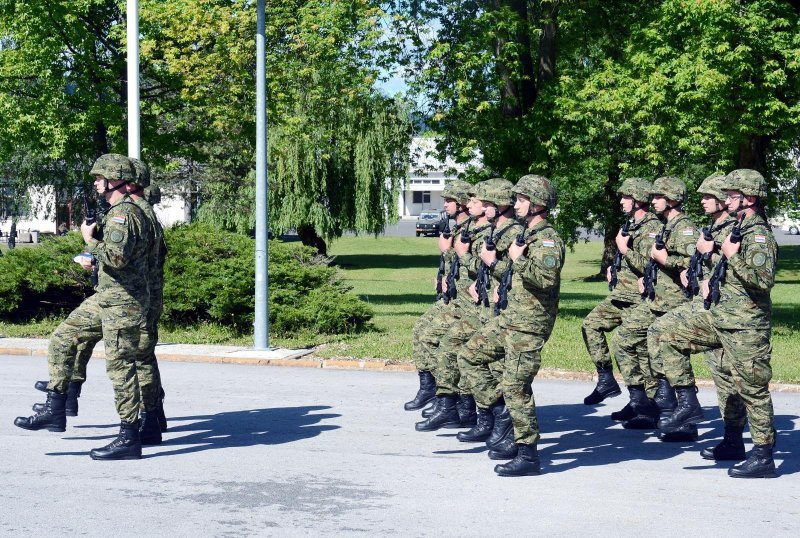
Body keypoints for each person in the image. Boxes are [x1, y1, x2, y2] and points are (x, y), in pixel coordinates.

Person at [15, 153, 153, 461]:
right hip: (107, 296)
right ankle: (56, 408)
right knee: (63, 338)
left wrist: (89, 241)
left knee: (121, 369)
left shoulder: (124, 214)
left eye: (99, 178)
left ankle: (129, 438)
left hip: (123, 302)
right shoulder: (118, 212)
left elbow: (117, 258)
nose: (95, 182)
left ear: (115, 181)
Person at [651, 169, 778, 478]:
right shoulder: (737, 229)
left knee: (751, 389)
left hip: (746, 324)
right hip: (719, 316)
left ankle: (763, 455)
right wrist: (711, 271)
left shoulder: (758, 234)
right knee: (664, 330)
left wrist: (730, 256)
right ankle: (689, 402)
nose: (726, 200)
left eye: (732, 196)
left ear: (748, 199)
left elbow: (763, 280)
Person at [461, 174, 564, 476]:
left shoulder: (548, 239)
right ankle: (500, 413)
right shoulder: (529, 236)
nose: (515, 204)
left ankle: (528, 454)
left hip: (530, 324)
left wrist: (516, 260)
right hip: (510, 317)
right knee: (469, 356)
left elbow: (545, 279)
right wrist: (495, 264)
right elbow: (516, 274)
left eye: (521, 199)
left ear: (538, 204)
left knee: (516, 386)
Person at [646, 174, 735, 442]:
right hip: (705, 305)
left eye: (709, 196)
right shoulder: (713, 228)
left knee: (727, 378)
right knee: (659, 332)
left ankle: (731, 438)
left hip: (726, 311)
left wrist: (673, 262)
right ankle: (682, 403)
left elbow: (735, 267)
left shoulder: (726, 229)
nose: (703, 201)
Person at [610, 177, 697, 429]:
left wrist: (665, 260)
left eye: (659, 197)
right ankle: (647, 403)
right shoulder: (666, 226)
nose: (653, 200)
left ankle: (681, 420)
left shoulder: (684, 228)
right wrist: (647, 276)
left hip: (674, 303)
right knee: (626, 341)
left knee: (672, 356)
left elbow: (694, 263)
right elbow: (656, 260)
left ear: (671, 200)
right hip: (655, 300)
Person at [581, 178, 660, 407]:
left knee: (640, 352)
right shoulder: (630, 225)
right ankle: (606, 378)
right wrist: (613, 269)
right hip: (620, 296)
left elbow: (650, 265)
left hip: (638, 299)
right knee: (590, 325)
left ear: (638, 200)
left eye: (627, 197)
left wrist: (624, 249)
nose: (622, 201)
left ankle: (643, 403)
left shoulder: (652, 228)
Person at [405, 180, 471, 411]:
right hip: (453, 296)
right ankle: (429, 389)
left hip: (466, 302)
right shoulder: (454, 228)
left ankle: (450, 399)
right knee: (420, 331)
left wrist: (448, 251)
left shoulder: (470, 230)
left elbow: (470, 264)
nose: (445, 204)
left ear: (461, 203)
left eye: (449, 200)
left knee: (438, 339)